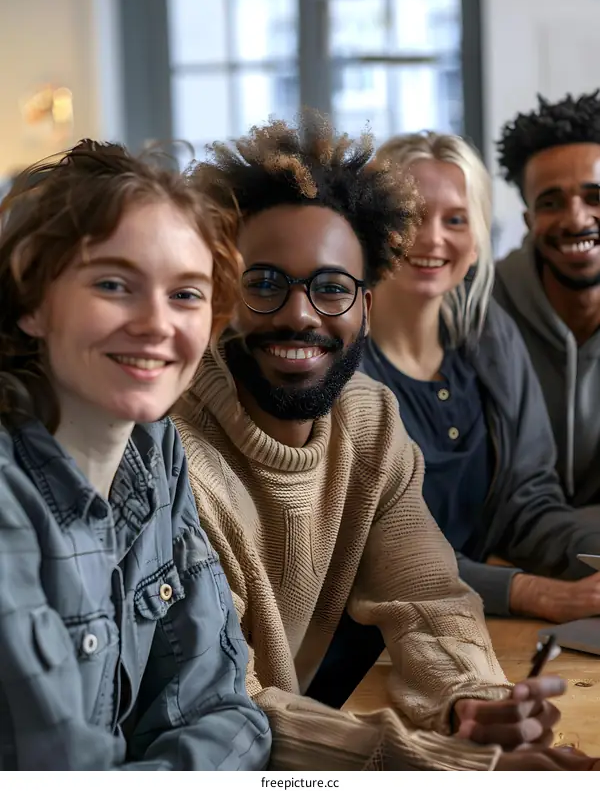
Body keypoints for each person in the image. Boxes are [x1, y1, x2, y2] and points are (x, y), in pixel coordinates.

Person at [173, 113, 594, 772]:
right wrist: (441, 762)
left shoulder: (369, 417)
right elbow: (223, 715)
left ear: (368, 299)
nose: (301, 314)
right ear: (222, 290)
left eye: (333, 288)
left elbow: (429, 598)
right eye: (264, 284)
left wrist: (472, 707)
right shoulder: (173, 462)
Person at [0, 140, 271, 770]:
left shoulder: (154, 453)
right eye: (114, 284)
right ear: (34, 301)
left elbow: (227, 714)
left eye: (186, 294)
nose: (156, 323)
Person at [356, 130, 600, 626]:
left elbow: (527, 509)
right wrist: (531, 592)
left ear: (477, 239)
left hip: (471, 623)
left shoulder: (491, 337)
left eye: (456, 220)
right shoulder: (338, 362)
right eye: (412, 216)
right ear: (371, 225)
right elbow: (369, 554)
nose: (433, 238)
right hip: (363, 648)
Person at [495, 91, 600, 507]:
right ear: (529, 220)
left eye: (595, 197)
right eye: (551, 203)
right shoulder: (482, 313)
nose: (576, 220)